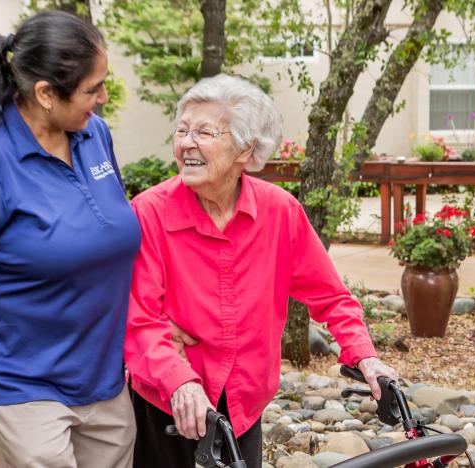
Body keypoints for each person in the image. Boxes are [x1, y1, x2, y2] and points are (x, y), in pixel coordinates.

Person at [124, 74, 399, 468]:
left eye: (204, 132)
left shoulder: (280, 212)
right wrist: (178, 381)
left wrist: (365, 357)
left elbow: (332, 297)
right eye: (182, 130)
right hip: (170, 401)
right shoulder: (150, 212)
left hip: (242, 399)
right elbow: (140, 319)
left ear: (245, 149)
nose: (186, 144)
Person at [0, 11, 139, 468]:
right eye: (93, 88)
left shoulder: (96, 135)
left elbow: (108, 244)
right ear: (46, 94)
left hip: (106, 385)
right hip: (24, 390)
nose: (104, 97)